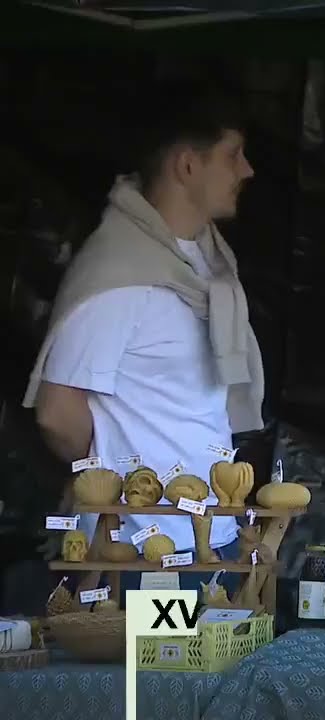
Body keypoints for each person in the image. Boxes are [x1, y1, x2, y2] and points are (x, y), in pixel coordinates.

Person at [24, 80, 263, 594]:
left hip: (211, 538)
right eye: (234, 155)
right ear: (187, 165)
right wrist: (113, 480)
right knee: (155, 675)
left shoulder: (207, 261)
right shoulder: (118, 274)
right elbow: (56, 411)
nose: (247, 170)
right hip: (146, 556)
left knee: (212, 671)